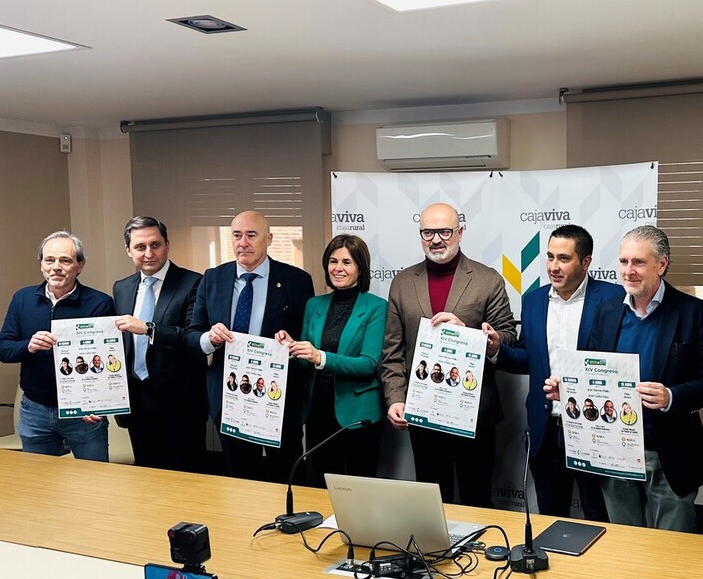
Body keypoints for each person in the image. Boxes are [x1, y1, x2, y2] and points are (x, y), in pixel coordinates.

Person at [548, 225, 703, 532]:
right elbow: (590, 371)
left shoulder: (692, 312)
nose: (629, 271)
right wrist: (568, 390)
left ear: (662, 264)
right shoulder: (607, 311)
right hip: (615, 450)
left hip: (670, 453)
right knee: (625, 545)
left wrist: (671, 396)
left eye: (638, 262)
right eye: (624, 262)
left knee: (675, 548)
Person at [380, 202, 516, 507]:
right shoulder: (402, 282)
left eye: (444, 231)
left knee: (476, 497)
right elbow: (392, 351)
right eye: (428, 232)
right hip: (423, 411)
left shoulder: (487, 278)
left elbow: (508, 336)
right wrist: (395, 398)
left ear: (460, 233)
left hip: (474, 411)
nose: (436, 239)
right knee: (431, 500)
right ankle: (435, 555)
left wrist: (467, 331)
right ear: (420, 235)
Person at [484, 224, 622, 521]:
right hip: (546, 426)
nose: (553, 267)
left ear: (585, 262)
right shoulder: (534, 300)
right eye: (549, 257)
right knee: (550, 514)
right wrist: (496, 349)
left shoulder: (614, 298)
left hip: (594, 425)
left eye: (563, 258)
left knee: (600, 514)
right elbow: (527, 359)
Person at [187, 210, 314, 483]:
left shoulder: (297, 281)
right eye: (236, 235)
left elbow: (307, 339)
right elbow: (192, 335)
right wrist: (209, 338)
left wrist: (291, 344)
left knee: (287, 477)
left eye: (251, 235)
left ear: (268, 239)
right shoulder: (212, 278)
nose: (242, 242)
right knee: (240, 480)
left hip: (278, 400)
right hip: (231, 397)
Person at [276, 234, 387, 487]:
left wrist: (321, 357)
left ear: (360, 267)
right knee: (321, 487)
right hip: (318, 410)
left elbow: (368, 363)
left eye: (347, 262)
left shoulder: (376, 307)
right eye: (333, 261)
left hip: (359, 414)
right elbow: (306, 362)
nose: (338, 268)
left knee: (361, 490)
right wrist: (290, 346)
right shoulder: (314, 304)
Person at [0, 231, 115, 461]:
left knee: (95, 484)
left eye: (65, 260)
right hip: (35, 410)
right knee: (39, 485)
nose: (56, 267)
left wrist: (98, 404)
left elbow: (108, 360)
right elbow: (2, 348)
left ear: (80, 265)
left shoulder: (100, 303)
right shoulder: (23, 299)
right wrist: (27, 346)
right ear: (41, 264)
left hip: (82, 413)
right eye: (49, 260)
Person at [113, 216, 208, 472]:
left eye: (155, 245)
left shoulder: (194, 283)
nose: (148, 253)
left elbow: (192, 337)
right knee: (146, 477)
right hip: (137, 399)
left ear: (167, 245)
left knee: (187, 477)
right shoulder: (122, 288)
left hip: (180, 401)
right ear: (128, 250)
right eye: (140, 247)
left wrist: (148, 329)